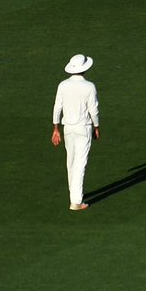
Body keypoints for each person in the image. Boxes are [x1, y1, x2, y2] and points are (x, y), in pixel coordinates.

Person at [50, 54, 100, 211]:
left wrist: (56, 129)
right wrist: (97, 126)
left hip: (68, 128)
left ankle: (74, 195)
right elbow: (94, 109)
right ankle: (76, 202)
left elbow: (57, 107)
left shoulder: (63, 85)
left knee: (70, 162)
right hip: (83, 128)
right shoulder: (89, 86)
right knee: (80, 163)